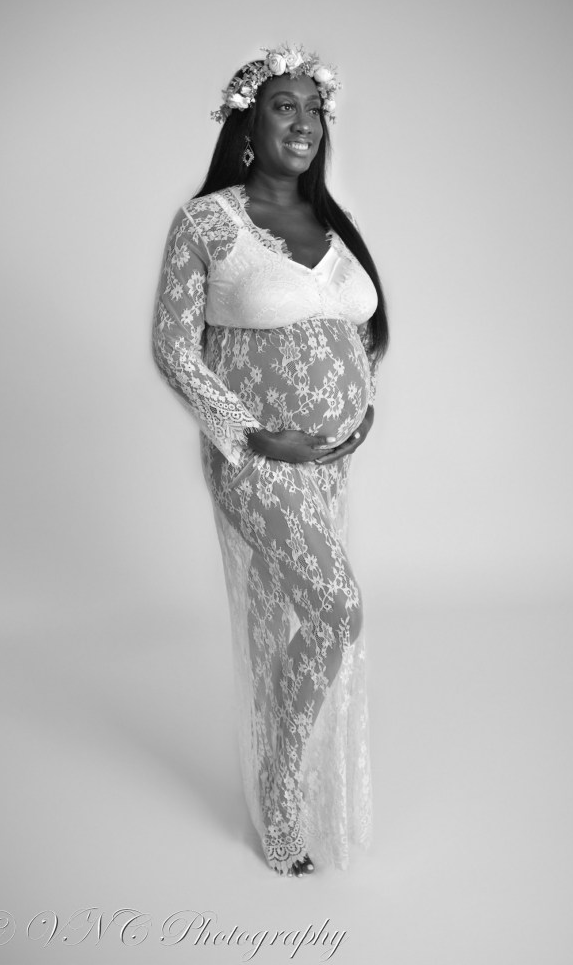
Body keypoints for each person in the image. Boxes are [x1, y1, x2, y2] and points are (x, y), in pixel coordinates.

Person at [152, 44, 389, 877]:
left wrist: (359, 404)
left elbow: (355, 330)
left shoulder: (333, 223)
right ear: (247, 124)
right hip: (254, 457)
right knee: (334, 608)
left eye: (314, 109)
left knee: (301, 613)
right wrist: (254, 434)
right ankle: (280, 787)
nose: (304, 122)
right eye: (284, 106)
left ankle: (291, 769)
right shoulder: (208, 223)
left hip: (326, 463)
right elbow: (175, 348)